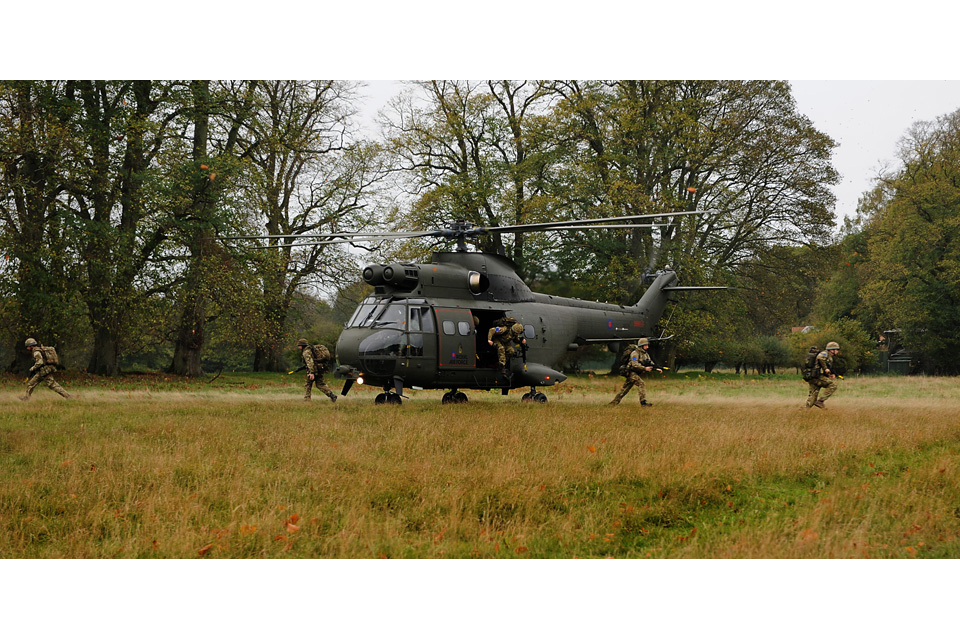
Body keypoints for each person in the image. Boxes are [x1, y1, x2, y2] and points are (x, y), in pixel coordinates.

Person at [609, 337, 661, 406]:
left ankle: (613, 403)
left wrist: (656, 368)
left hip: (636, 373)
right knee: (641, 384)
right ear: (641, 346)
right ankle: (643, 402)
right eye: (646, 345)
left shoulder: (645, 354)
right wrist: (645, 368)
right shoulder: (635, 353)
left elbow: (650, 363)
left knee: (624, 390)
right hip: (631, 372)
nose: (647, 347)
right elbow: (634, 364)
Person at [297, 338, 337, 403]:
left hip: (314, 370)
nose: (298, 347)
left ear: (302, 346)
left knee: (308, 384)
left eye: (299, 346)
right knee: (320, 384)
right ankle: (332, 395)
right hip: (320, 369)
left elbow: (310, 362)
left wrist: (312, 373)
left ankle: (307, 400)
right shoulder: (311, 350)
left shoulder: (306, 352)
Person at [806, 341, 841, 409]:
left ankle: (803, 412)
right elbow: (820, 358)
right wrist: (825, 369)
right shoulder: (824, 354)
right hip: (817, 376)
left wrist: (828, 375)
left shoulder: (829, 356)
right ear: (832, 350)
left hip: (813, 377)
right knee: (833, 385)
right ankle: (820, 401)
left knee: (812, 397)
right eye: (836, 349)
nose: (837, 351)